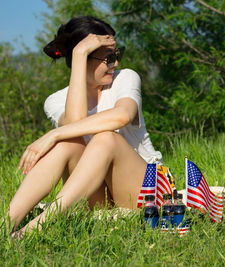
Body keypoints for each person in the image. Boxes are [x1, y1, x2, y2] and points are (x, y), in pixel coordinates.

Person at [5, 16, 162, 237]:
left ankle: (34, 229)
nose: (115, 63)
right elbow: (76, 123)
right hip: (96, 197)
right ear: (84, 60)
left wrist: (53, 134)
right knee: (67, 144)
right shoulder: (56, 100)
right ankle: (6, 225)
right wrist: (78, 54)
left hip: (146, 189)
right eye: (108, 57)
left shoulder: (125, 78)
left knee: (105, 138)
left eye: (117, 55)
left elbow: (122, 116)